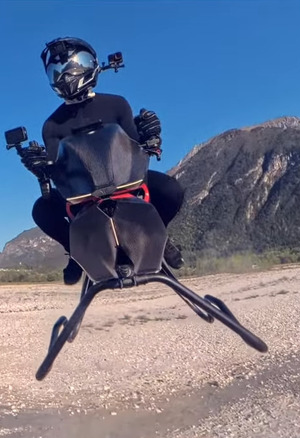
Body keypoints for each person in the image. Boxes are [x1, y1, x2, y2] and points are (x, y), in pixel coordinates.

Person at [20, 36, 185, 285]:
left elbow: (136, 147)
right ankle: (75, 252)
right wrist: (39, 166)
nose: (66, 75)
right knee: (41, 209)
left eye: (72, 65)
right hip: (81, 195)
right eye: (57, 71)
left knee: (172, 190)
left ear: (91, 64)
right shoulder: (51, 126)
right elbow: (56, 170)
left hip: (127, 183)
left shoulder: (116, 105)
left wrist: (150, 134)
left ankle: (160, 236)